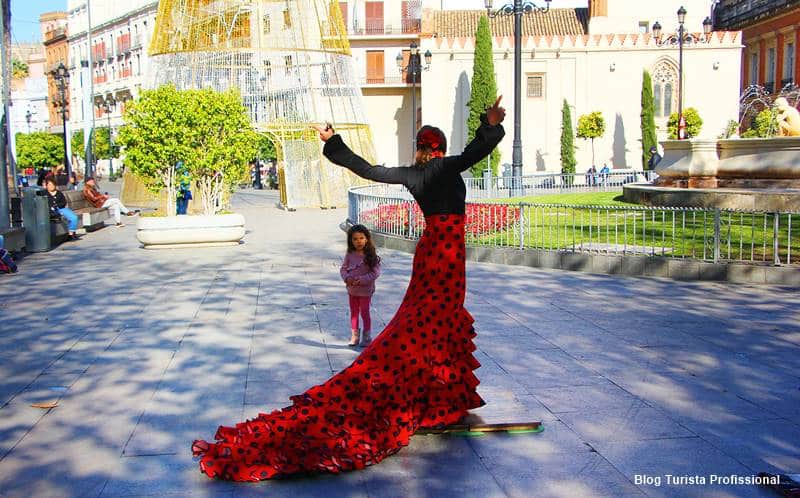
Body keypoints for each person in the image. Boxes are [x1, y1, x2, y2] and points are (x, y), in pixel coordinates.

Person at [191, 96, 506, 481]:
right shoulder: (449, 168)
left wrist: (333, 142)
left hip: (430, 251)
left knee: (430, 321)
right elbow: (478, 149)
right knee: (440, 321)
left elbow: (368, 170)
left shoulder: (412, 174)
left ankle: (438, 399)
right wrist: (489, 124)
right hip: (447, 254)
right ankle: (437, 400)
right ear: (440, 146)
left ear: (420, 148)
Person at [340, 224, 381, 347]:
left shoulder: (370, 255)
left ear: (367, 239)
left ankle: (367, 336)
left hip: (365, 291)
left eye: (361, 238)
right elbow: (343, 269)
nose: (359, 241)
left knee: (364, 312)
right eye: (355, 239)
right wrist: (346, 277)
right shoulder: (350, 254)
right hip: (352, 290)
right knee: (353, 312)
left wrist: (362, 279)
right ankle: (354, 336)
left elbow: (376, 273)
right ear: (351, 241)